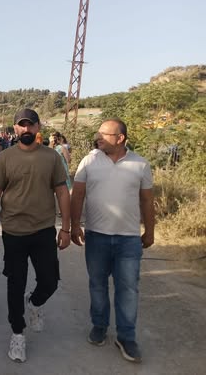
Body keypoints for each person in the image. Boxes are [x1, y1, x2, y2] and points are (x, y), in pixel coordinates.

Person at [0, 108, 71, 363]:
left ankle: (34, 303)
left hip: (43, 229)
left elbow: (62, 192)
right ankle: (17, 333)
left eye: (30, 125)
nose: (26, 129)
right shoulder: (5, 158)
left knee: (50, 281)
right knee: (16, 283)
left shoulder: (51, 157)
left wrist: (66, 228)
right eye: (21, 125)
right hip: (13, 231)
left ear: (37, 128)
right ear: (15, 129)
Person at [70, 118, 155, 364]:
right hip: (96, 235)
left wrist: (150, 231)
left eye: (104, 134)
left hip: (129, 239)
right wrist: (74, 225)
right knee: (97, 284)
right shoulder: (89, 161)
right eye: (98, 133)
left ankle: (126, 337)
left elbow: (147, 200)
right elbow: (78, 195)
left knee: (128, 288)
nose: (98, 137)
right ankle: (99, 326)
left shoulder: (140, 164)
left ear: (120, 138)